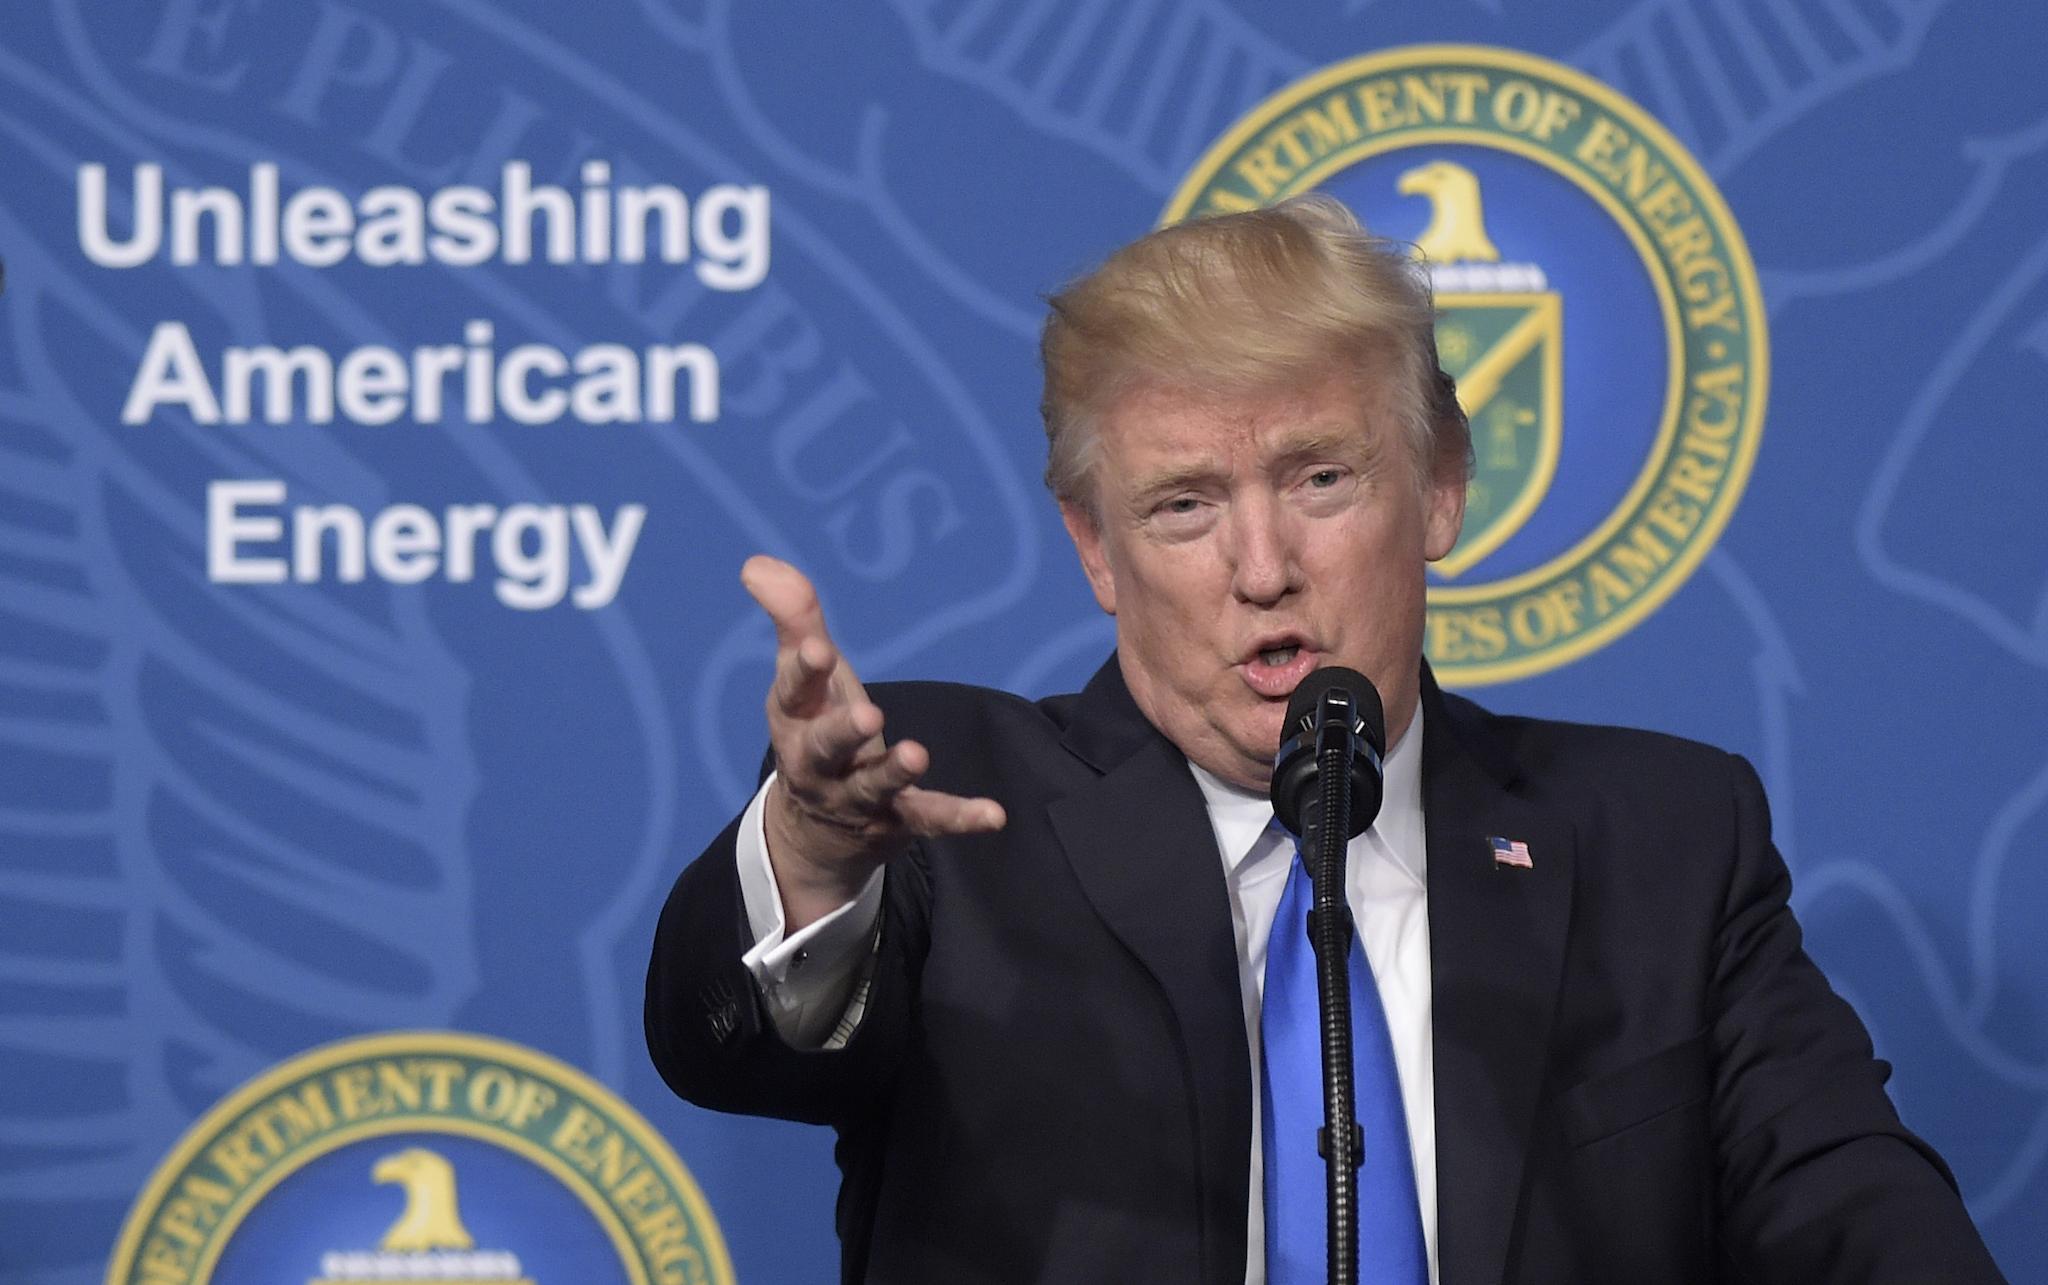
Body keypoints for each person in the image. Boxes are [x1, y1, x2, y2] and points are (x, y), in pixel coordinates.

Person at [645, 196, 2004, 1284]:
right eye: (1182, 504)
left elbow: (1844, 1199)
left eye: (1319, 478)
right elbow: (725, 1047)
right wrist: (816, 852)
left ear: (1441, 491)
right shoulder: (950, 804)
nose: (1262, 565)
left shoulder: (1663, 835)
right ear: (1096, 549)